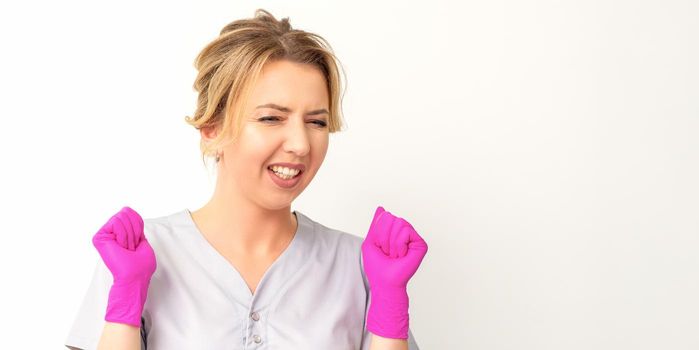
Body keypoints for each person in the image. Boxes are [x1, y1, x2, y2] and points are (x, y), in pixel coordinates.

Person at [64, 9, 428, 350]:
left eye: (317, 122)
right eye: (271, 118)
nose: (301, 145)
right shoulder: (137, 256)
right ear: (211, 129)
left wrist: (389, 307)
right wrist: (126, 300)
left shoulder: (361, 266)